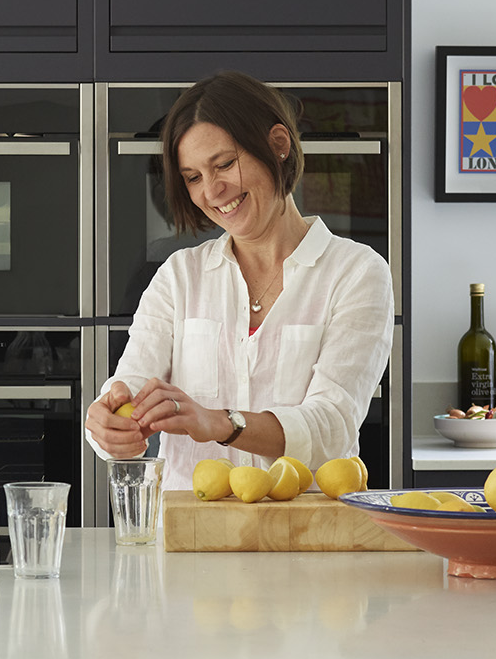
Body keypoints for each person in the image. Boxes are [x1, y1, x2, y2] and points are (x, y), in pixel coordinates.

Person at [86, 71, 394, 489]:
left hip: (304, 539)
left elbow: (331, 426)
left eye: (225, 163)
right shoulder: (179, 277)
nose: (212, 191)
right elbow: (133, 386)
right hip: (190, 539)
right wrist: (107, 425)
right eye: (193, 177)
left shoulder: (356, 273)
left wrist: (219, 423)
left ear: (278, 145)